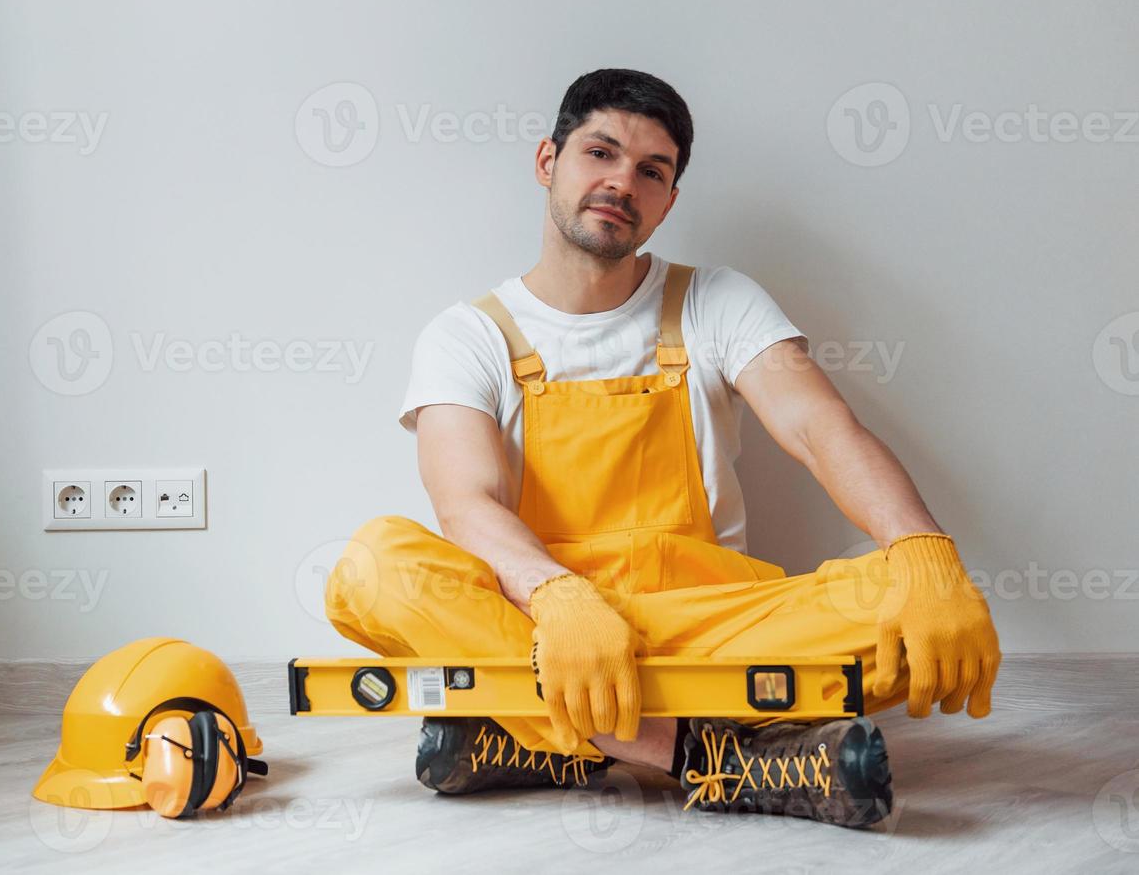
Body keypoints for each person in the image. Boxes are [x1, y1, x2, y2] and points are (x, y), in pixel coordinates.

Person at [324, 68, 1001, 829]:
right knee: (374, 566)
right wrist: (559, 597)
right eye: (600, 153)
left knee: (909, 607)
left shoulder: (717, 300)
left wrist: (923, 551)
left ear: (669, 199)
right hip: (545, 628)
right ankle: (709, 759)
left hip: (703, 633)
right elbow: (465, 502)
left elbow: (822, 427)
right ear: (549, 161)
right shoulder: (468, 334)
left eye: (652, 171)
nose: (622, 182)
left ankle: (546, 741)